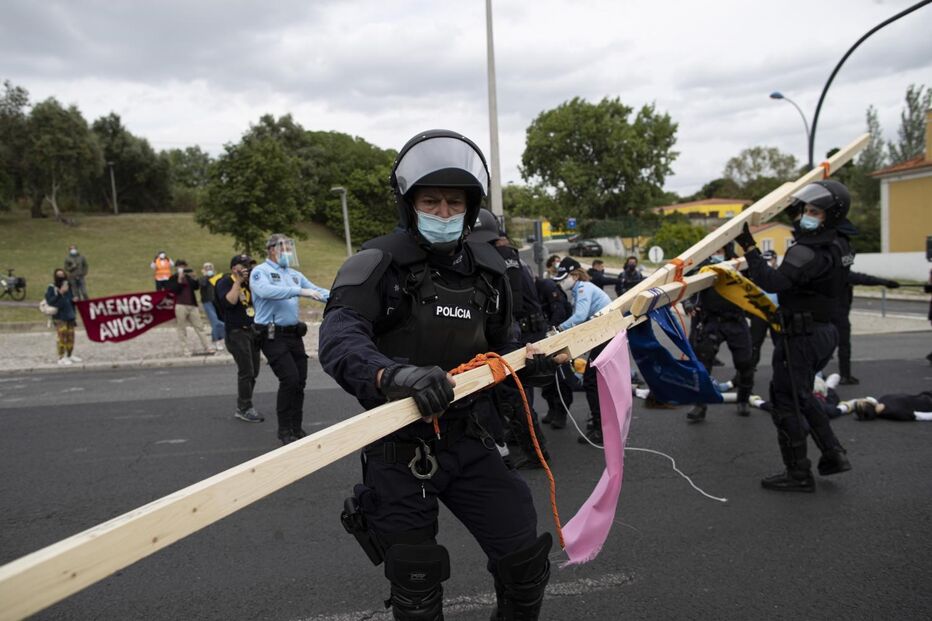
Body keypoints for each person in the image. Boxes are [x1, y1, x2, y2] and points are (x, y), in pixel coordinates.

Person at [319, 130, 557, 620]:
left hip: (471, 439)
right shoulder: (376, 264)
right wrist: (391, 376)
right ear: (409, 204)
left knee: (525, 565)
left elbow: (503, 346)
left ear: (471, 210)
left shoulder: (491, 273)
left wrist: (528, 366)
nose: (444, 212)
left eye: (455, 202)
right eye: (432, 201)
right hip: (400, 448)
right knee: (416, 585)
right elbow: (339, 338)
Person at [736, 179, 853, 493]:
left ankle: (798, 473)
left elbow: (771, 281)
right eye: (805, 209)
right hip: (824, 333)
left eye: (815, 211)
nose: (806, 215)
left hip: (802, 336)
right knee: (802, 394)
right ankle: (833, 453)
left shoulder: (805, 251)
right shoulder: (841, 245)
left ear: (830, 215)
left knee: (785, 399)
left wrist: (748, 248)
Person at [469, 208, 550, 469]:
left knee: (511, 393)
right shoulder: (510, 256)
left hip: (508, 329)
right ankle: (522, 444)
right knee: (511, 392)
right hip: (514, 328)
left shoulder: (499, 257)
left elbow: (509, 304)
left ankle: (533, 451)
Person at [251, 234, 329, 445]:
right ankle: (284, 430)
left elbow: (317, 291)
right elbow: (266, 291)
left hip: (294, 334)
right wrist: (300, 291)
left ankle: (296, 428)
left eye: (289, 248)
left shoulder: (294, 274)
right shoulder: (260, 272)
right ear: (272, 249)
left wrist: (337, 296)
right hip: (272, 335)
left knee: (300, 382)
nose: (288, 252)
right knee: (290, 379)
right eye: (284, 248)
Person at [683, 245, 755, 421]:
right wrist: (689, 305)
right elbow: (691, 291)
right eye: (713, 251)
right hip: (711, 322)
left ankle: (743, 399)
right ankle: (700, 405)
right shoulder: (704, 268)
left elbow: (754, 290)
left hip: (735, 321)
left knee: (745, 362)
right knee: (703, 364)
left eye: (719, 251)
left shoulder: (741, 266)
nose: (716, 255)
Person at [831, 222, 901, 385]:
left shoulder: (837, 246)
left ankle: (840, 374)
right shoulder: (839, 249)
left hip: (834, 306)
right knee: (840, 343)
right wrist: (884, 282)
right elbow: (853, 277)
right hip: (836, 308)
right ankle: (843, 374)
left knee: (832, 342)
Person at [552, 266, 611, 444]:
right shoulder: (581, 290)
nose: (561, 283)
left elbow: (580, 316)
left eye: (564, 278)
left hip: (605, 334)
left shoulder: (584, 288)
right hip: (603, 334)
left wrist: (559, 329)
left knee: (591, 381)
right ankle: (601, 424)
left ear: (575, 275)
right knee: (597, 381)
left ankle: (599, 428)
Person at [215, 254, 264, 423]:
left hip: (252, 330)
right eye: (243, 266)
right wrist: (237, 282)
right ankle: (244, 407)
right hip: (236, 332)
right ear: (234, 268)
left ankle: (245, 404)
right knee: (246, 371)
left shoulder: (251, 283)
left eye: (249, 266)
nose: (247, 269)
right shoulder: (225, 282)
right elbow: (229, 302)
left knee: (254, 371)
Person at [536, 272, 574, 428]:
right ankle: (552, 408)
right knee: (546, 377)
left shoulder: (546, 286)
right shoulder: (527, 290)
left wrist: (550, 332)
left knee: (561, 377)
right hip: (542, 337)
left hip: (556, 335)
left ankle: (561, 412)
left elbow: (560, 312)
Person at [164, 259, 214, 356]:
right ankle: (185, 350)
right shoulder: (172, 278)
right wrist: (179, 279)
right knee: (182, 329)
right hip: (180, 305)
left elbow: (196, 287)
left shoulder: (188, 277)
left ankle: (207, 347)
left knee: (199, 327)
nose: (182, 268)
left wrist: (194, 277)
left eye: (183, 266)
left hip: (192, 305)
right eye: (180, 266)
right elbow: (173, 290)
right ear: (176, 267)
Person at [45, 268, 82, 365]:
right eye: (59, 275)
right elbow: (50, 301)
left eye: (62, 274)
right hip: (59, 317)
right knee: (62, 337)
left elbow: (69, 300)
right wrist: (60, 292)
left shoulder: (68, 286)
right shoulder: (52, 288)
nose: (61, 277)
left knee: (71, 337)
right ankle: (61, 357)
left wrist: (74, 300)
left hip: (70, 316)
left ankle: (69, 355)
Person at [844, 391, 932, 422]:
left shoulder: (882, 400)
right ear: (869, 404)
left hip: (925, 395)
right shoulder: (895, 412)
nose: (865, 398)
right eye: (864, 400)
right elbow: (921, 416)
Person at [199, 262, 226, 351]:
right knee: (215, 322)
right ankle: (216, 341)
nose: (209, 269)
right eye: (207, 268)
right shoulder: (202, 279)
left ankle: (219, 339)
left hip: (217, 302)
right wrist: (206, 276)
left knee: (220, 321)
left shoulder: (217, 278)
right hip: (207, 302)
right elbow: (202, 284)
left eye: (210, 268)